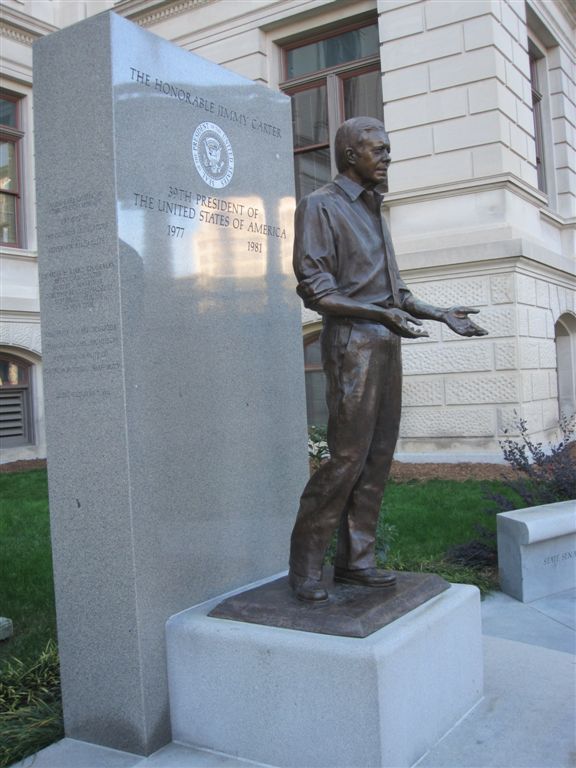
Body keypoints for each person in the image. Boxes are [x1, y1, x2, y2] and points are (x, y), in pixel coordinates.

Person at [289, 117, 488, 603]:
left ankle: (356, 563)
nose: (387, 157)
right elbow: (317, 291)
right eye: (378, 149)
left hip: (385, 339)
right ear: (351, 154)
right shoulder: (321, 206)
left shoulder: (376, 210)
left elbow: (396, 293)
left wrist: (442, 314)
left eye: (388, 148)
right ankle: (305, 567)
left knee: (377, 459)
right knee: (346, 459)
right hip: (352, 340)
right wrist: (381, 314)